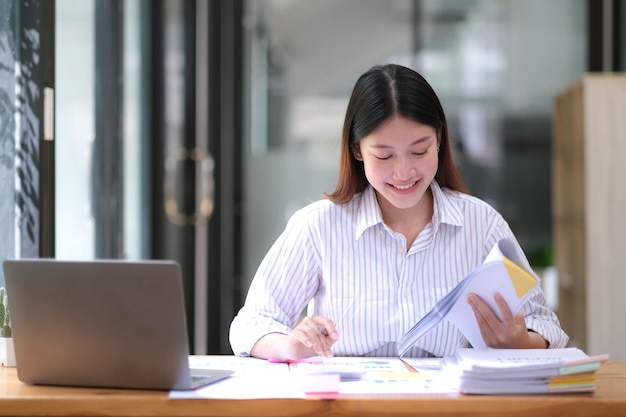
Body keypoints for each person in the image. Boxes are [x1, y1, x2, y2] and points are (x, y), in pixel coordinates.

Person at [229, 63, 568, 360]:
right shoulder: (318, 226)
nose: (403, 172)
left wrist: (520, 341)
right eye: (385, 156)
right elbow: (251, 323)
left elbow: (546, 327)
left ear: (439, 140)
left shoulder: (480, 224)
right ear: (357, 151)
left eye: (419, 151)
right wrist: (290, 345)